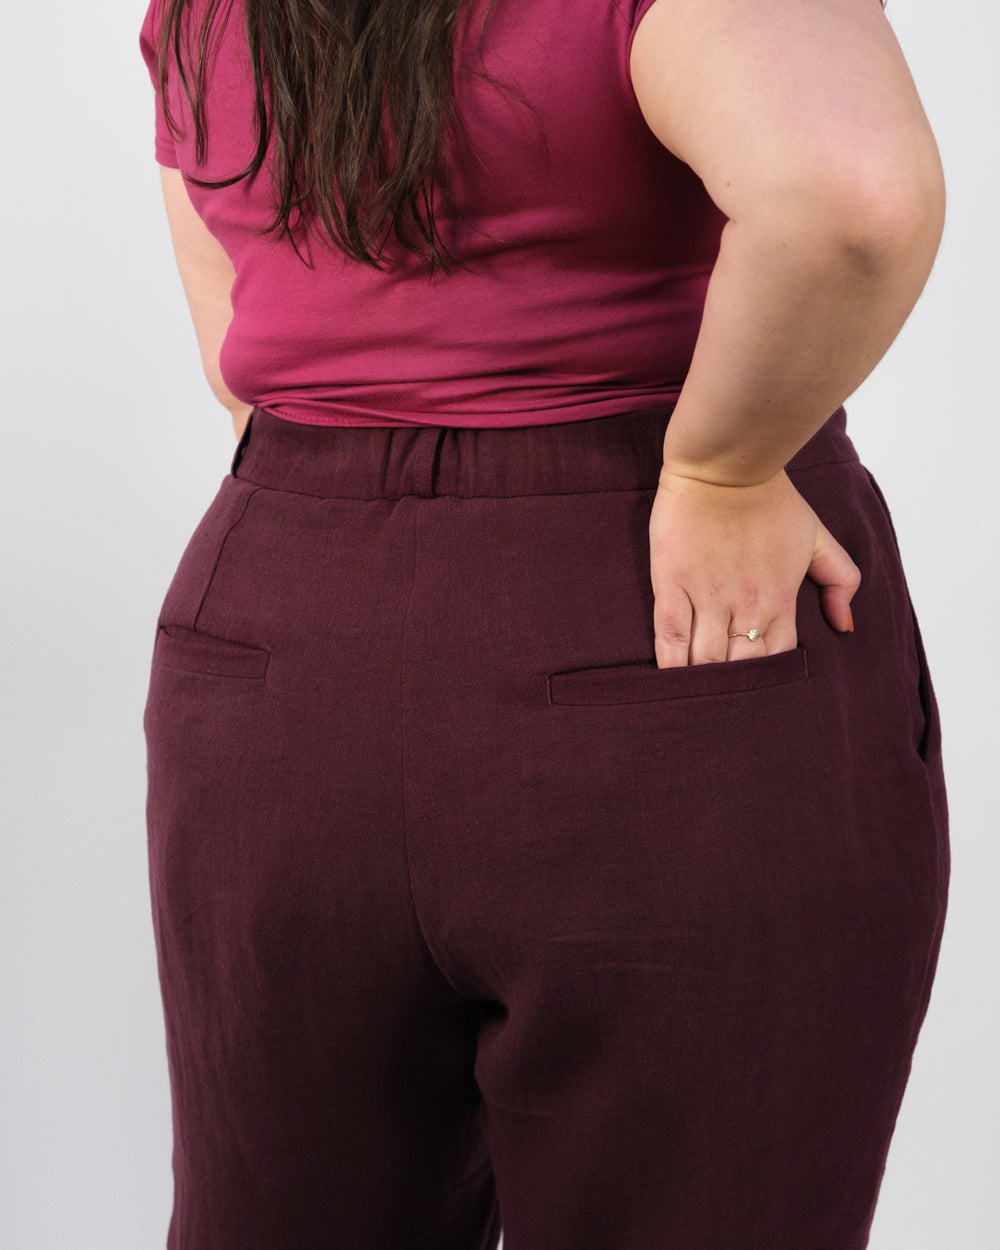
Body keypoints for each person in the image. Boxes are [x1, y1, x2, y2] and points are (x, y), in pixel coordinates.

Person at [138, 0, 949, 1246]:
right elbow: (852, 200)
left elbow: (227, 304)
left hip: (277, 624)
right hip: (657, 613)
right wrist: (724, 467)